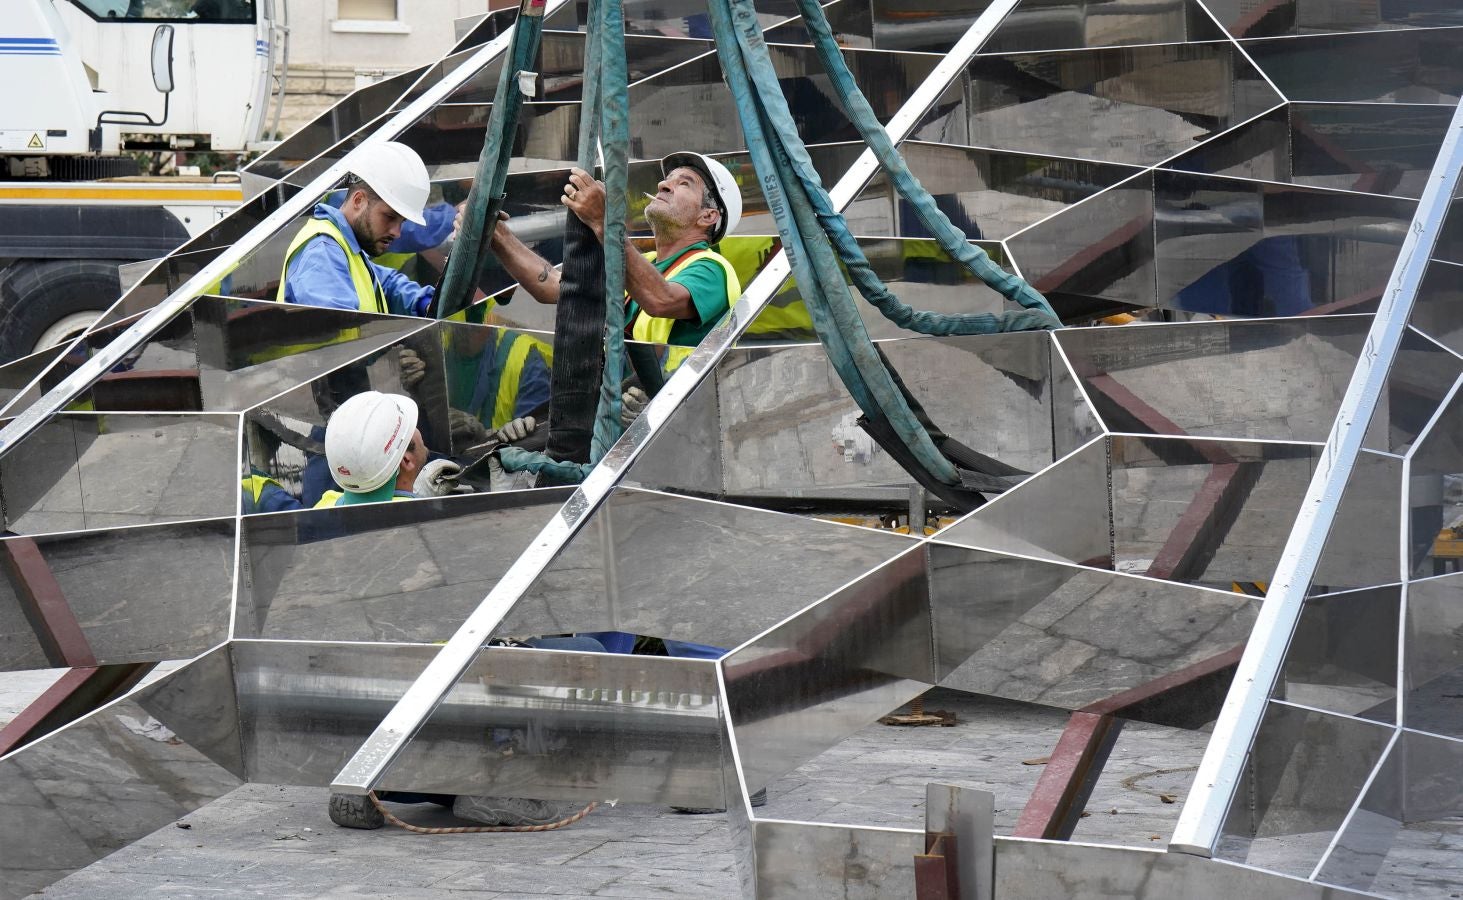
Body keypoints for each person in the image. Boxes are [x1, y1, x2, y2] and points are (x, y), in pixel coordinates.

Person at [487, 151, 743, 353]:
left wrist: (604, 222)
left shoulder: (712, 269)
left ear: (708, 216)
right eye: (668, 179)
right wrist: (496, 234)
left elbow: (661, 300)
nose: (663, 184)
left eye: (684, 183)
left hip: (682, 403)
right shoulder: (644, 265)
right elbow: (551, 285)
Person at [277, 141, 439, 317]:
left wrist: (424, 302)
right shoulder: (323, 253)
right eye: (389, 217)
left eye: (402, 221)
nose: (397, 232)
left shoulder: (345, 246)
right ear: (358, 201)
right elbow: (339, 329)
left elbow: (383, 283)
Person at [313, 391, 465, 507]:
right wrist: (418, 504)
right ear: (406, 460)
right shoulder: (422, 523)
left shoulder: (326, 504)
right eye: (410, 426)